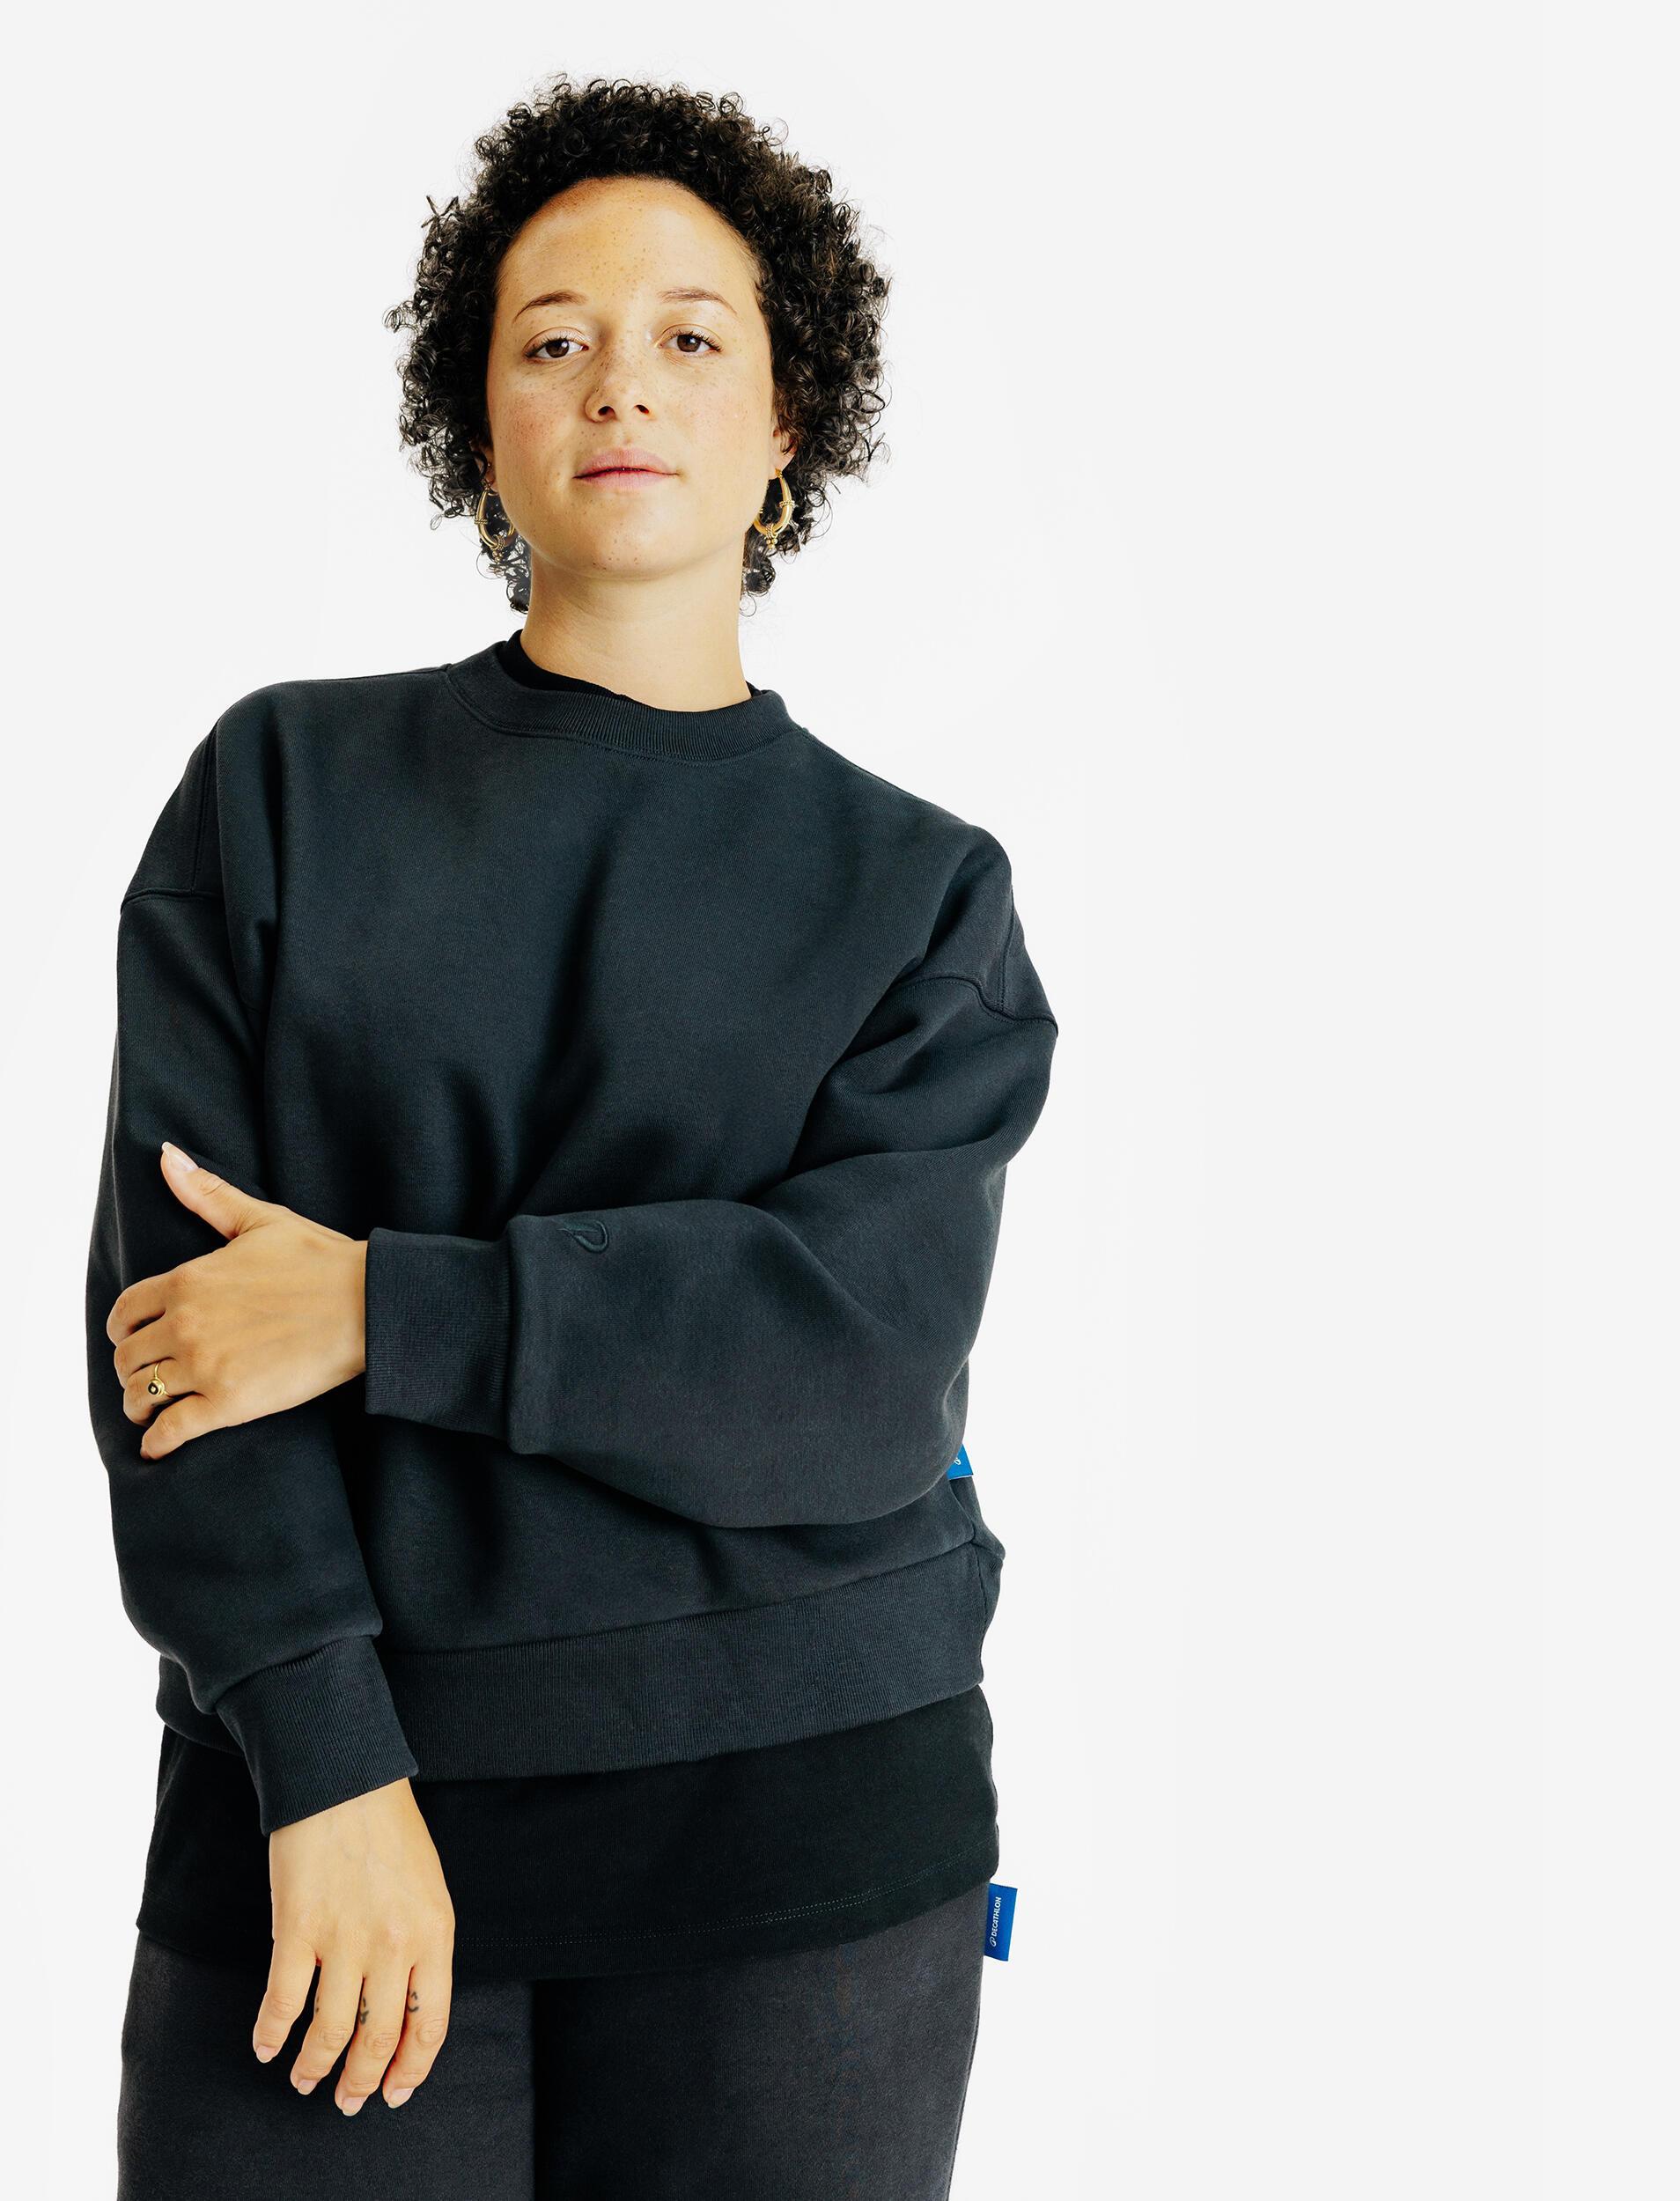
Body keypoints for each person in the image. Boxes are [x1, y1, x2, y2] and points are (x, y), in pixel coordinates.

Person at [85, 72, 1059, 2200]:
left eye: (691, 335)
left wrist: (380, 1306)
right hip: (328, 1815)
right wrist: (324, 1765)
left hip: (804, 1842)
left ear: (787, 425)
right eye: (553, 338)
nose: (621, 380)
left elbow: (848, 1371)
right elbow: (177, 1345)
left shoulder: (920, 893)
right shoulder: (279, 795)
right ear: (481, 416)